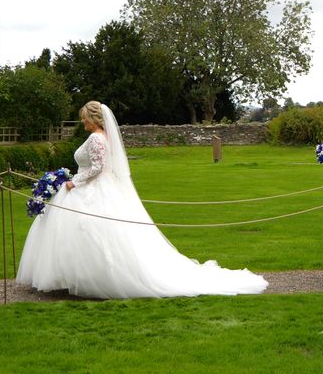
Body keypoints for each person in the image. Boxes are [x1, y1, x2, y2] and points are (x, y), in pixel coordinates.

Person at [17, 101, 268, 299]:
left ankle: (92, 279)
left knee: (90, 233)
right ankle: (78, 277)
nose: (82, 122)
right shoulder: (101, 136)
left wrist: (73, 182)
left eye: (84, 117)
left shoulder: (96, 137)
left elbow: (97, 167)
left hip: (91, 188)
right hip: (95, 186)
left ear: (93, 118)